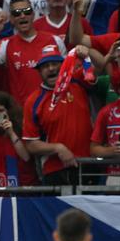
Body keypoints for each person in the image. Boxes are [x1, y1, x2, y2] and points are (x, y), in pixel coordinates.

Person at [23, 45, 94, 187]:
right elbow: (30, 144)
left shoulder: (78, 82)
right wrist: (58, 148)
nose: (51, 69)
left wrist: (86, 54)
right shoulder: (33, 101)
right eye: (45, 66)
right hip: (55, 169)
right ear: (39, 72)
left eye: (55, 64)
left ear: (63, 65)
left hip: (88, 164)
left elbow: (94, 71)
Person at [0, 0, 66, 102]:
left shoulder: (54, 40)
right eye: (17, 13)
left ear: (33, 15)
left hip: (52, 104)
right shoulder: (5, 44)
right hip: (21, 108)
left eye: (27, 11)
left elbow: (66, 71)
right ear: (11, 19)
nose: (22, 16)